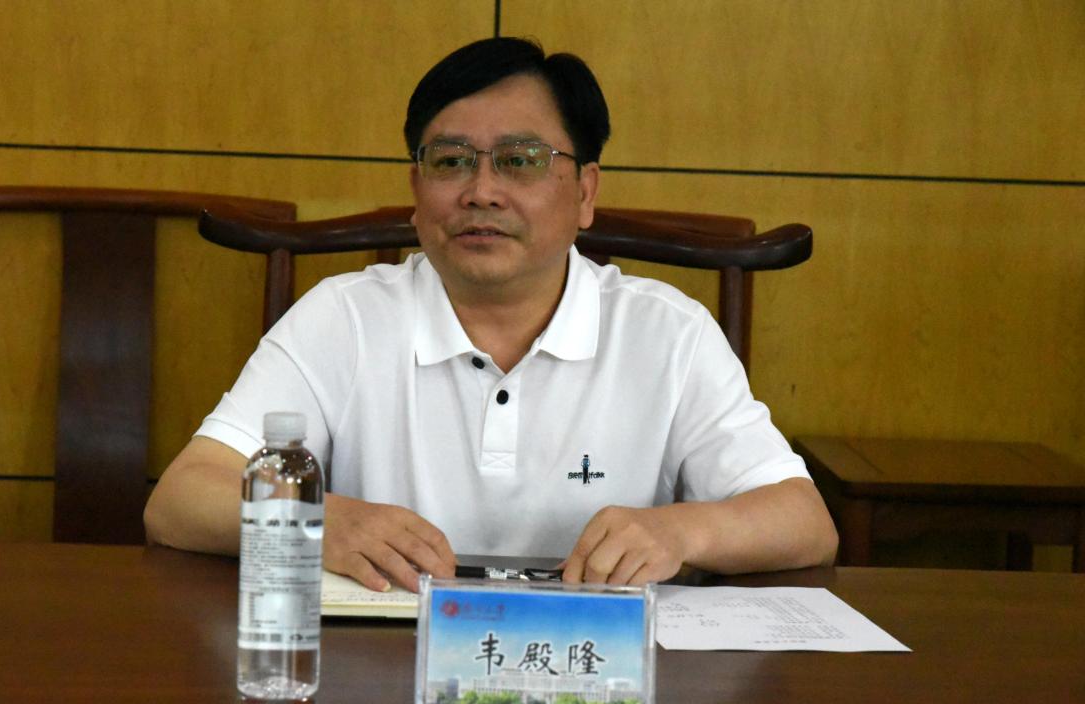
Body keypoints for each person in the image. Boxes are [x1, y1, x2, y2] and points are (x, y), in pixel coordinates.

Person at [144, 37, 837, 592]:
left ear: (585, 193)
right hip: (383, 684)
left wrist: (681, 532)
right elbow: (180, 499)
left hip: (600, 684)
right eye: (451, 161)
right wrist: (317, 521)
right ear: (417, 190)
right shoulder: (344, 318)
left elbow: (804, 522)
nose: (481, 191)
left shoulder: (667, 334)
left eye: (520, 160)